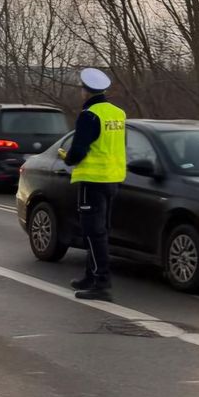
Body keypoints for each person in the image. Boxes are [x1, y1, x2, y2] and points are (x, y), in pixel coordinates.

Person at [59, 67, 126, 301]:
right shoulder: (117, 113)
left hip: (92, 180)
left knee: (92, 233)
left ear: (85, 91)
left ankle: (100, 281)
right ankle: (90, 275)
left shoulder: (90, 115)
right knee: (101, 231)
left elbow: (79, 150)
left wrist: (67, 158)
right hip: (113, 179)